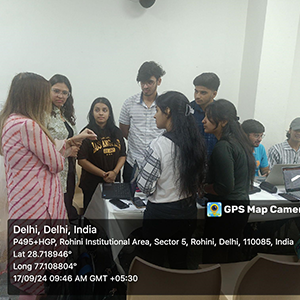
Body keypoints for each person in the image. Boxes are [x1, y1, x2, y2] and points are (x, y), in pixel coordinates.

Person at [0, 73, 96, 298]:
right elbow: (54, 162)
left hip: (23, 201)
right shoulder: (29, 125)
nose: (52, 98)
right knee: (35, 269)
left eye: (64, 92)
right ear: (34, 96)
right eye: (49, 93)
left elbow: (47, 149)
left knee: (30, 267)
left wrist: (67, 144)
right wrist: (66, 152)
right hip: (37, 204)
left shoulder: (10, 120)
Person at [137, 91, 207, 269]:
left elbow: (144, 187)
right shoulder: (195, 142)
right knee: (179, 261)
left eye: (157, 110)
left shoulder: (159, 145)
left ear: (167, 111)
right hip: (188, 212)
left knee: (153, 263)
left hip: (161, 215)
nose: (154, 115)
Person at [202, 99, 255, 264]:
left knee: (214, 253)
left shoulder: (223, 146)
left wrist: (202, 188)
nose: (203, 121)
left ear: (223, 121)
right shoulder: (241, 143)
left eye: (208, 117)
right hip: (240, 206)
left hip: (222, 208)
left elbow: (224, 187)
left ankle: (213, 286)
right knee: (231, 253)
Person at [119, 61, 165, 182]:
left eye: (150, 82)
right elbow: (124, 130)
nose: (145, 86)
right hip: (133, 162)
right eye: (142, 82)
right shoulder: (129, 103)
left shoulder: (165, 105)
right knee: (129, 198)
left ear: (159, 81)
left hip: (159, 163)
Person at [78, 97, 126, 211]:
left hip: (113, 181)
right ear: (92, 113)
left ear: (109, 113)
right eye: (97, 110)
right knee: (92, 215)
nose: (100, 113)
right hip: (92, 183)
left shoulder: (116, 132)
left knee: (112, 213)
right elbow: (81, 160)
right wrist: (103, 174)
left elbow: (122, 155)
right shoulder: (86, 132)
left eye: (104, 110)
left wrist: (114, 172)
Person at [48, 74, 79, 221]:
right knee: (56, 211)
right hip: (55, 172)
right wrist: (67, 151)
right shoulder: (44, 115)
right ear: (48, 91)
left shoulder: (65, 114)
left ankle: (65, 241)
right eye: (56, 91)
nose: (60, 96)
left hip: (69, 169)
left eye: (65, 92)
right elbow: (44, 146)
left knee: (66, 205)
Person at [190, 72, 220, 157]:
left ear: (214, 94)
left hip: (215, 161)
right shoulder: (187, 110)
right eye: (196, 91)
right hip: (193, 161)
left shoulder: (221, 112)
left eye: (203, 93)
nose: (197, 96)